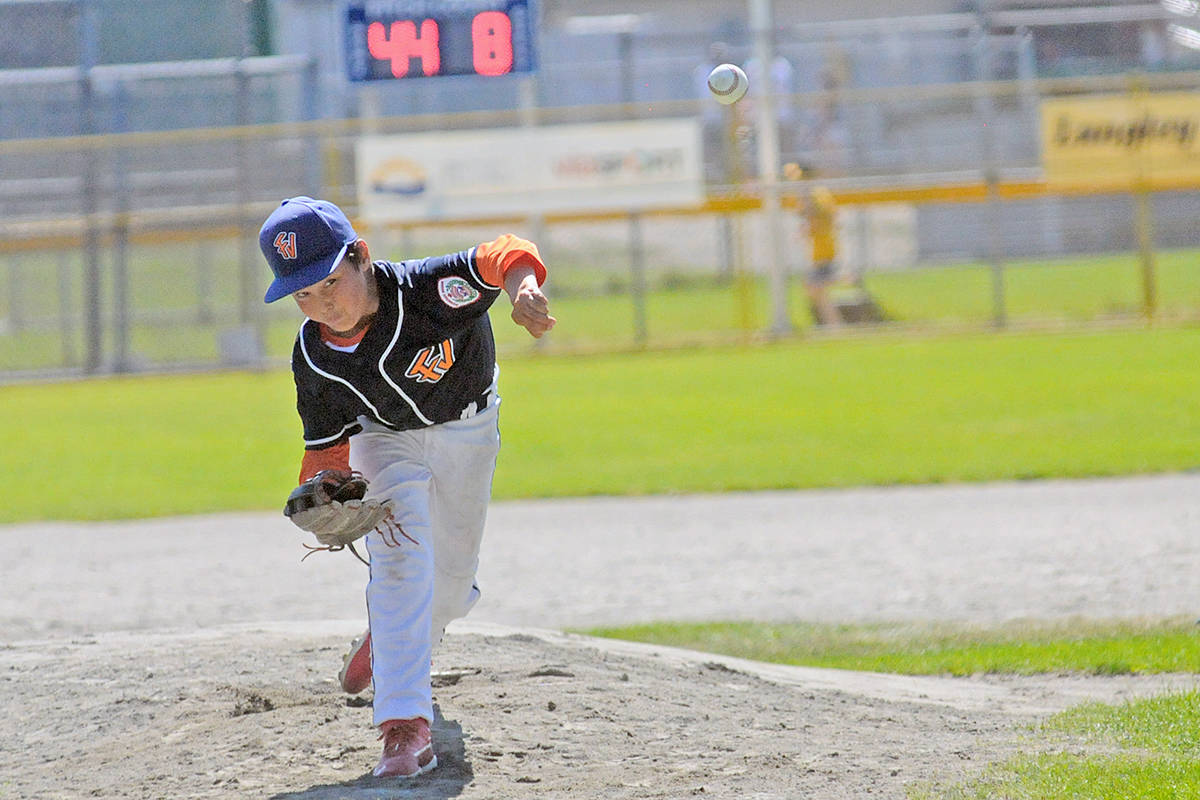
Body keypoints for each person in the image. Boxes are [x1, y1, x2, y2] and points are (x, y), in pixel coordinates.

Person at [258, 196, 555, 780]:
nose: (320, 304)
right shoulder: (315, 355)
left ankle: (394, 635)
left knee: (447, 590)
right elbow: (325, 447)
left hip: (469, 429)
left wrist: (522, 290)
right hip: (385, 441)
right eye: (303, 294)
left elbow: (504, 253)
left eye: (329, 283)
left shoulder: (426, 292)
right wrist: (322, 489)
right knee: (398, 564)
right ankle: (403, 725)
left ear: (361, 256)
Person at [784, 166, 840, 326]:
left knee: (815, 287)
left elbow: (822, 216)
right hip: (818, 249)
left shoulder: (816, 194)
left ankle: (833, 324)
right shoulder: (810, 195)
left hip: (824, 249)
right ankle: (831, 323)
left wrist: (810, 224)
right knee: (814, 288)